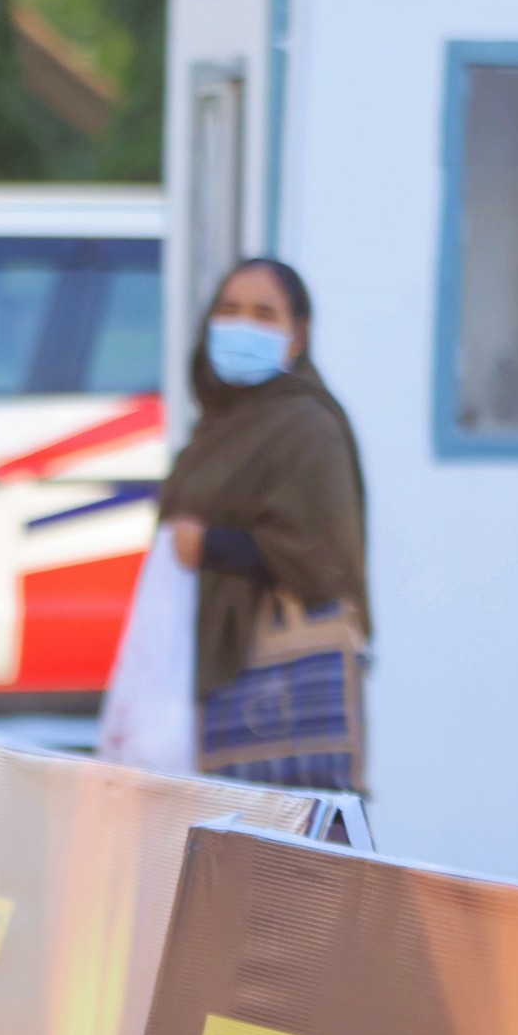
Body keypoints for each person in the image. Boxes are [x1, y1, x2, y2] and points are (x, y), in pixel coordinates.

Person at [155, 257, 369, 791]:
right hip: (198, 664)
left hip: (267, 681)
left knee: (274, 830)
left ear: (297, 337)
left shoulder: (307, 425)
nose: (242, 325)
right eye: (229, 310)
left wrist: (212, 545)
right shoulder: (220, 423)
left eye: (263, 314)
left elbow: (327, 559)